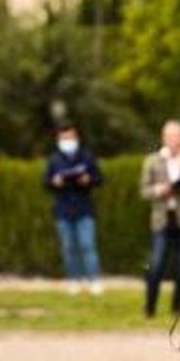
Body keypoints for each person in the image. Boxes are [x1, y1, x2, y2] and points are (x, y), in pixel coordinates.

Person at [139, 119, 180, 317]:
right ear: (163, 138)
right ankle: (149, 306)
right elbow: (144, 191)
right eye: (170, 136)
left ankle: (177, 306)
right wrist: (160, 190)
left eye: (177, 136)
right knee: (156, 263)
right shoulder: (152, 161)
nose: (174, 140)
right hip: (162, 219)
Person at [42, 123, 104, 295]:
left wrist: (88, 180)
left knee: (87, 246)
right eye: (64, 138)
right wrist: (54, 182)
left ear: (76, 138)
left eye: (71, 137)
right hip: (63, 210)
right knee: (68, 248)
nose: (68, 141)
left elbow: (99, 179)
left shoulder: (86, 157)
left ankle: (94, 280)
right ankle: (74, 280)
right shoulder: (54, 159)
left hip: (84, 209)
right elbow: (45, 182)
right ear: (58, 140)